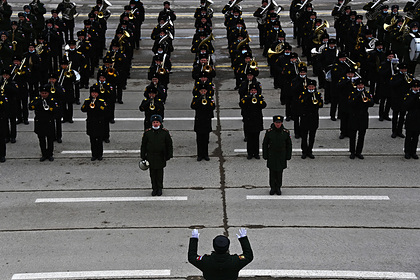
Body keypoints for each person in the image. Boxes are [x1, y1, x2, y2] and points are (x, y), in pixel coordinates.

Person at [188, 228, 253, 280]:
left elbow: (191, 257)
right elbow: (249, 255)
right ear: (227, 247)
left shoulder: (205, 261)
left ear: (214, 247)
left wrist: (194, 239)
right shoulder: (235, 261)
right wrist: (243, 239)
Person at [140, 114, 173, 196]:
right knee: (152, 174)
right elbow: (143, 145)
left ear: (160, 123)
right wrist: (143, 156)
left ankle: (159, 188)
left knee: (159, 174)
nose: (155, 124)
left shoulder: (164, 133)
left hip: (160, 156)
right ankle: (154, 188)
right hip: (151, 156)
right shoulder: (148, 133)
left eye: (157, 122)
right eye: (154, 122)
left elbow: (169, 144)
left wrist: (169, 155)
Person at [262, 115, 292, 195]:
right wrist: (265, 155)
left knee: (279, 172)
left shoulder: (286, 132)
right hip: (272, 154)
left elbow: (289, 145)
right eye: (276, 123)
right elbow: (265, 144)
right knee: (272, 173)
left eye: (279, 123)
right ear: (274, 123)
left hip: (281, 155)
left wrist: (288, 156)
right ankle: (272, 187)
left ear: (281, 123)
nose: (278, 124)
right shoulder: (269, 132)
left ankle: (278, 187)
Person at [28, 85, 59, 162]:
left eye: (45, 93)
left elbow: (56, 109)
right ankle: (44, 154)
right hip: (40, 122)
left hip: (49, 122)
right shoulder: (37, 99)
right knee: (41, 139)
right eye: (42, 93)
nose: (44, 94)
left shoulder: (52, 100)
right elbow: (30, 107)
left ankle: (50, 154)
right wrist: (38, 103)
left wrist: (50, 108)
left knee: (50, 139)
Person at [81, 85, 108, 161]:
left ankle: (99, 155)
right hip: (91, 123)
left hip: (99, 123)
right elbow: (83, 109)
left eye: (95, 93)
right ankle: (94, 154)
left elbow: (105, 110)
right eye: (92, 93)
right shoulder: (87, 101)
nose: (94, 94)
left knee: (99, 140)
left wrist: (97, 105)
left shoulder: (101, 101)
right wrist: (88, 104)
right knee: (92, 140)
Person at [191, 84, 215, 161]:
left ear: (206, 91)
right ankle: (200, 155)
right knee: (199, 139)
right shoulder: (196, 98)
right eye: (202, 91)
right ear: (199, 91)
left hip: (206, 121)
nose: (203, 92)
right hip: (199, 121)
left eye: (204, 91)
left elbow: (212, 106)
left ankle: (206, 154)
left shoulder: (210, 98)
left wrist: (206, 99)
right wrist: (199, 99)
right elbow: (193, 106)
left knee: (206, 139)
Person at [403, 80, 420, 159]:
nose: (416, 89)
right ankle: (407, 152)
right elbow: (406, 105)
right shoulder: (408, 95)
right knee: (409, 136)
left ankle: (413, 152)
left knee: (416, 136)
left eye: (417, 87)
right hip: (411, 117)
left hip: (418, 117)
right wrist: (414, 97)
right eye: (414, 87)